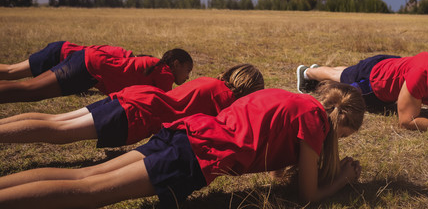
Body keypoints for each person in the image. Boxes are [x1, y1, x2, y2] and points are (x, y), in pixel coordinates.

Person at [0, 80, 366, 208]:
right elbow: (307, 197)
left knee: (85, 177)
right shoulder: (315, 122)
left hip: (184, 133)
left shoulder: (286, 99)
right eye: (346, 135)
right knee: (91, 192)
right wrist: (340, 180)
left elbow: (270, 161)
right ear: (343, 121)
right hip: (193, 156)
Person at [0, 63, 264, 147]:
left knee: (55, 121)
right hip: (137, 113)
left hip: (134, 96)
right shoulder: (227, 101)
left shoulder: (210, 81)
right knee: (60, 132)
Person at [297, 52, 428, 137]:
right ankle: (307, 72)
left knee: (346, 72)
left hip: (395, 66)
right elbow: (406, 121)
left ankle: (318, 70)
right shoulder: (424, 76)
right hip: (374, 80)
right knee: (341, 77)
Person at [0, 47, 193, 104]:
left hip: (88, 60)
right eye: (188, 70)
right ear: (176, 64)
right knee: (31, 91)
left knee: (30, 88)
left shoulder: (154, 64)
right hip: (90, 69)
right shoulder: (165, 74)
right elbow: (168, 104)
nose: (188, 77)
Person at [0, 41, 134, 80]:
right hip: (58, 56)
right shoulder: (122, 57)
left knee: (12, 71)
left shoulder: (123, 56)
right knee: (11, 71)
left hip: (62, 54)